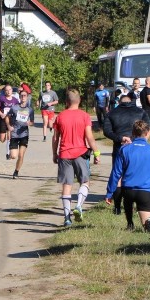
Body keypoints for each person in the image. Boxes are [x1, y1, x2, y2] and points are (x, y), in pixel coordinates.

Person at [104, 120, 150, 232]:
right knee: (149, 225)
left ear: (132, 133)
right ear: (147, 133)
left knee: (128, 202)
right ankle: (148, 222)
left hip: (128, 190)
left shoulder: (124, 149)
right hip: (145, 191)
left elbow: (116, 173)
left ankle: (130, 223)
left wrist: (109, 192)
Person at [52, 89, 100, 227]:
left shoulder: (60, 116)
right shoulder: (85, 116)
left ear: (66, 102)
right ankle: (78, 206)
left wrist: (54, 153)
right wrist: (96, 153)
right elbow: (89, 137)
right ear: (79, 101)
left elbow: (55, 138)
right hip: (80, 153)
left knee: (66, 186)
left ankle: (67, 218)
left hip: (64, 154)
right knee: (85, 182)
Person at [103, 93, 148, 214]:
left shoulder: (112, 113)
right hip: (137, 147)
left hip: (119, 148)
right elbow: (148, 127)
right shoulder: (141, 112)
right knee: (135, 174)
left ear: (119, 102)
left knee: (118, 177)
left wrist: (120, 138)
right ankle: (136, 204)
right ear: (131, 102)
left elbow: (107, 131)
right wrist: (142, 140)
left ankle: (117, 207)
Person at [9, 90, 35, 178]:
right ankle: (11, 153)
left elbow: (32, 122)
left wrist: (29, 123)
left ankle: (16, 171)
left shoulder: (30, 110)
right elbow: (7, 117)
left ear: (27, 97)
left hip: (24, 134)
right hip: (14, 134)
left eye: (25, 96)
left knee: (21, 155)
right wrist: (9, 126)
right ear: (19, 97)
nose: (23, 97)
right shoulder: (14, 108)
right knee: (13, 156)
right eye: (22, 96)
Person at [0, 84, 19, 156]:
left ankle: (8, 153)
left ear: (12, 90)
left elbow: (18, 109)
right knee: (2, 139)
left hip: (11, 120)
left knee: (9, 137)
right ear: (5, 91)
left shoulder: (15, 100)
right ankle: (1, 136)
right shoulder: (2, 98)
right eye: (7, 90)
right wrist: (1, 114)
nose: (8, 91)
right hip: (3, 119)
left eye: (10, 90)